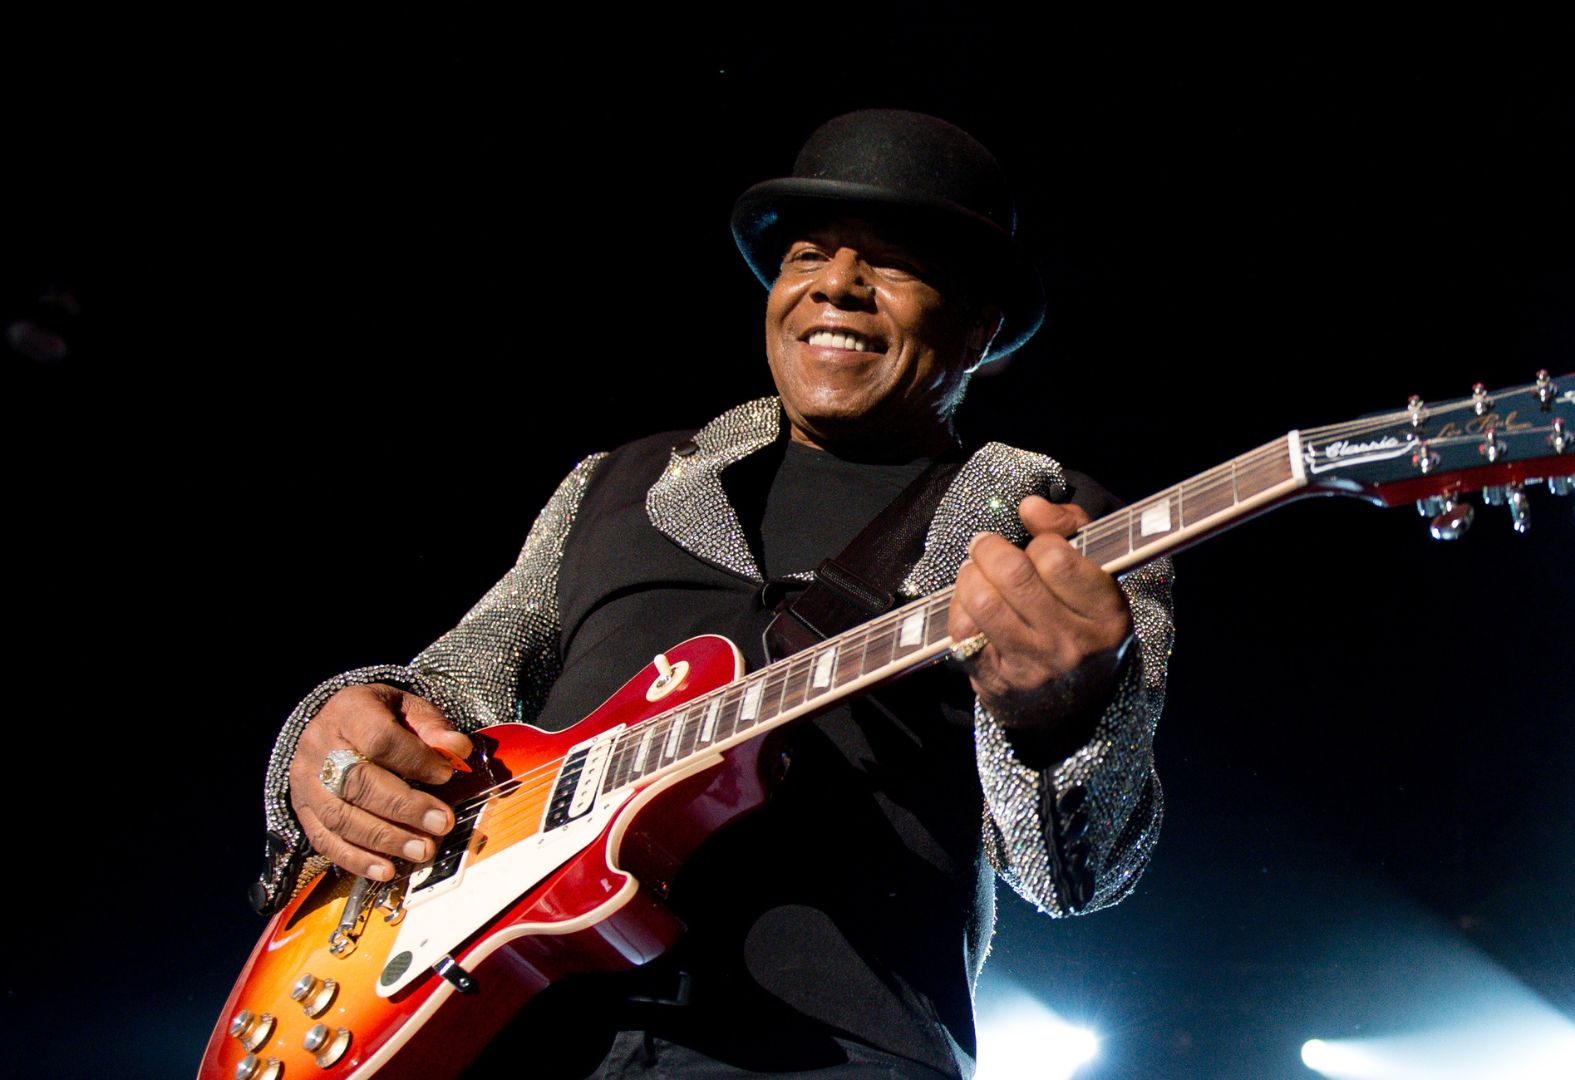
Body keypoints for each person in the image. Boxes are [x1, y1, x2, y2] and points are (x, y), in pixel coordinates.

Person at [251, 109, 1174, 1079]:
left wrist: (1063, 719)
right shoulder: (615, 482)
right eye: (810, 255)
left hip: (831, 1051)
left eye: (893, 262)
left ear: (980, 326)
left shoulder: (1058, 524)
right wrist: (337, 735)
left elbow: (1082, 875)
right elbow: (442, 698)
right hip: (496, 1030)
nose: (838, 285)